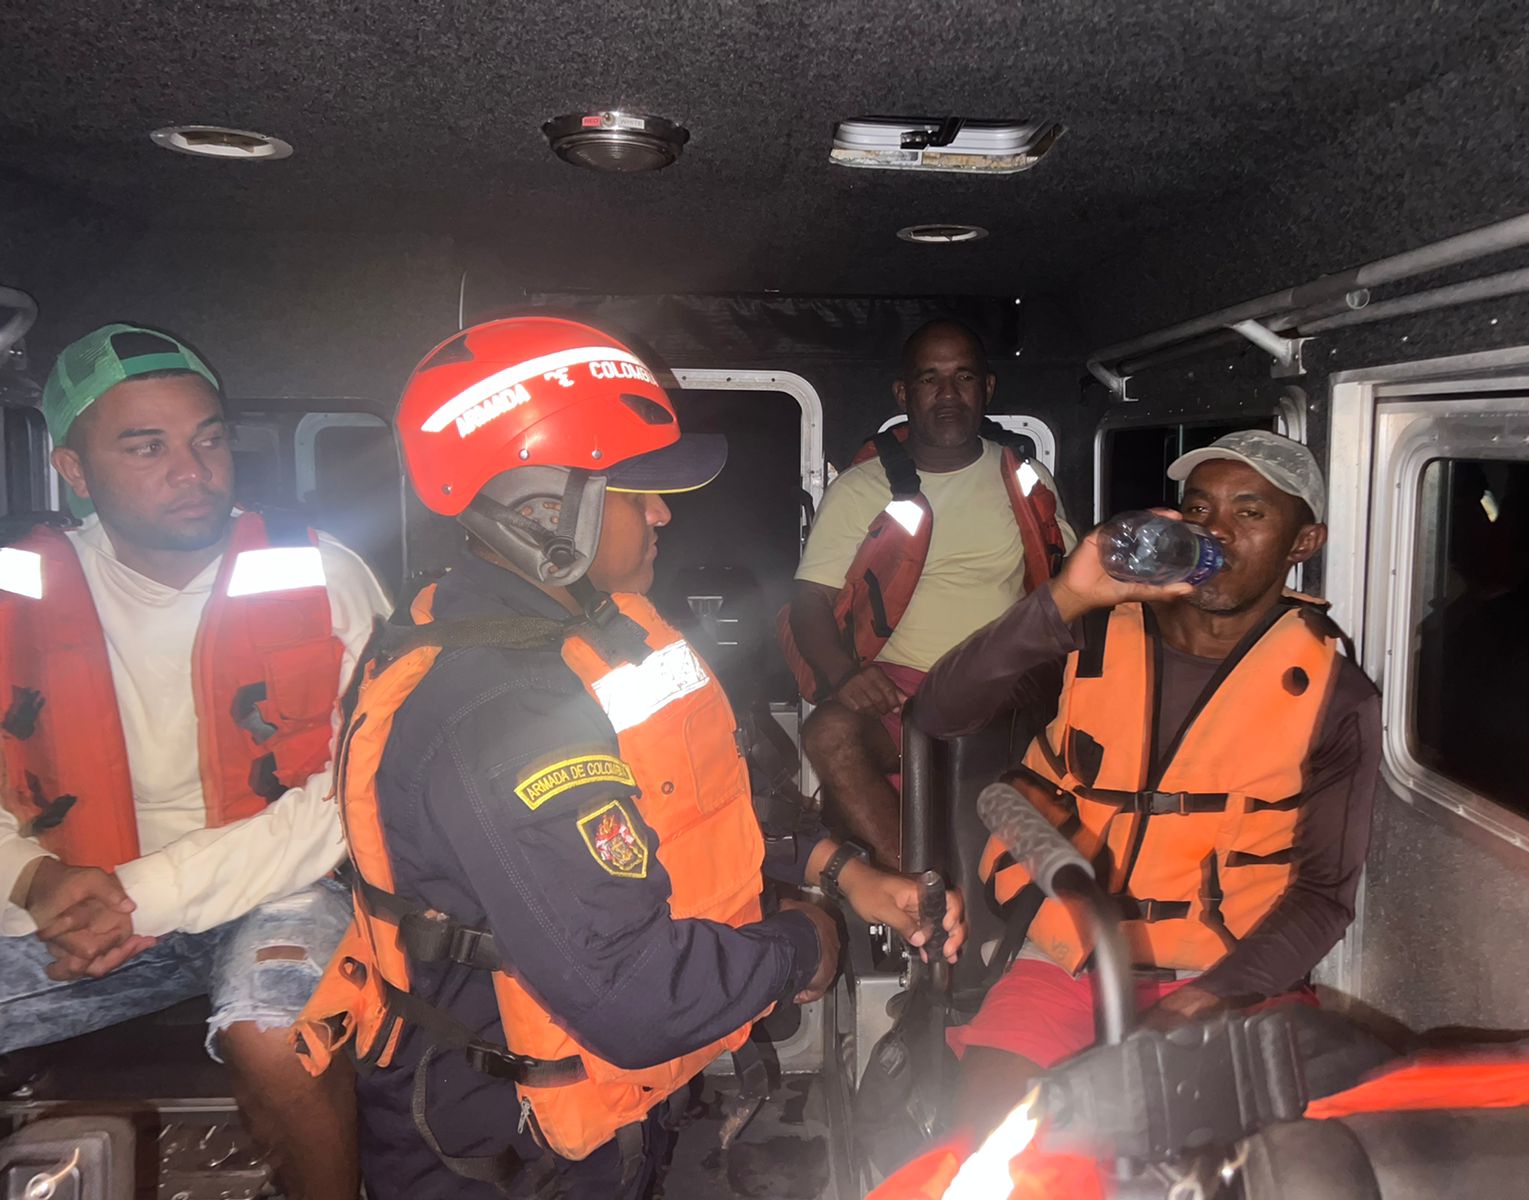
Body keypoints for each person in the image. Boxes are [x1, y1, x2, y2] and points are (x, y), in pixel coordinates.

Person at [292, 317, 967, 1200]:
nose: (663, 513)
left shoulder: (581, 635)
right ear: (542, 513)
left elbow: (686, 809)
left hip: (589, 1122)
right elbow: (638, 998)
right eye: (637, 491)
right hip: (503, 1157)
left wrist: (839, 870)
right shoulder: (504, 712)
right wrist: (807, 944)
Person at [0, 324, 391, 1197]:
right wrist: (30, 880)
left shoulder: (323, 575)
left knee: (277, 1035)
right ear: (73, 471)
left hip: (280, 882)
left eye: (208, 439)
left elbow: (347, 794)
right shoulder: (9, 590)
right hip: (78, 892)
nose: (193, 469)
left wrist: (147, 893)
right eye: (147, 446)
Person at [911, 430, 1379, 1131]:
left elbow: (1321, 898)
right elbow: (939, 712)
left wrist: (1203, 1000)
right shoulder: (1097, 633)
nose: (1215, 530)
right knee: (995, 1148)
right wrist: (1067, 595)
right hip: (1065, 961)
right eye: (1199, 508)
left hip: (1233, 981)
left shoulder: (1336, 697)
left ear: (1302, 543)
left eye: (1250, 512)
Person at [786, 319, 1076, 867]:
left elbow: (1072, 583)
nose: (947, 394)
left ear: (986, 389)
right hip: (901, 690)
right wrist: (846, 676)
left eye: (963, 377)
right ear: (904, 393)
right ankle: (921, 895)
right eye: (929, 379)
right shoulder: (860, 488)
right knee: (827, 732)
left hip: (1006, 685)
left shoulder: (1026, 478)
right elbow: (809, 602)